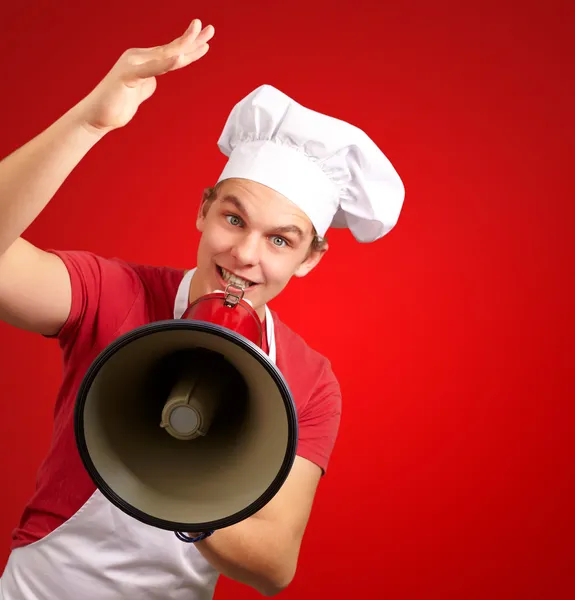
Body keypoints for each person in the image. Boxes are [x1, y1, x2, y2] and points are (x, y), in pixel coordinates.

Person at [0, 16, 404, 600]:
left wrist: (179, 481)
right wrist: (89, 122)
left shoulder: (311, 382)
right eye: (234, 219)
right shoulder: (116, 294)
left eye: (280, 240)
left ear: (309, 259)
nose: (243, 255)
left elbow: (274, 565)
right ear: (203, 211)